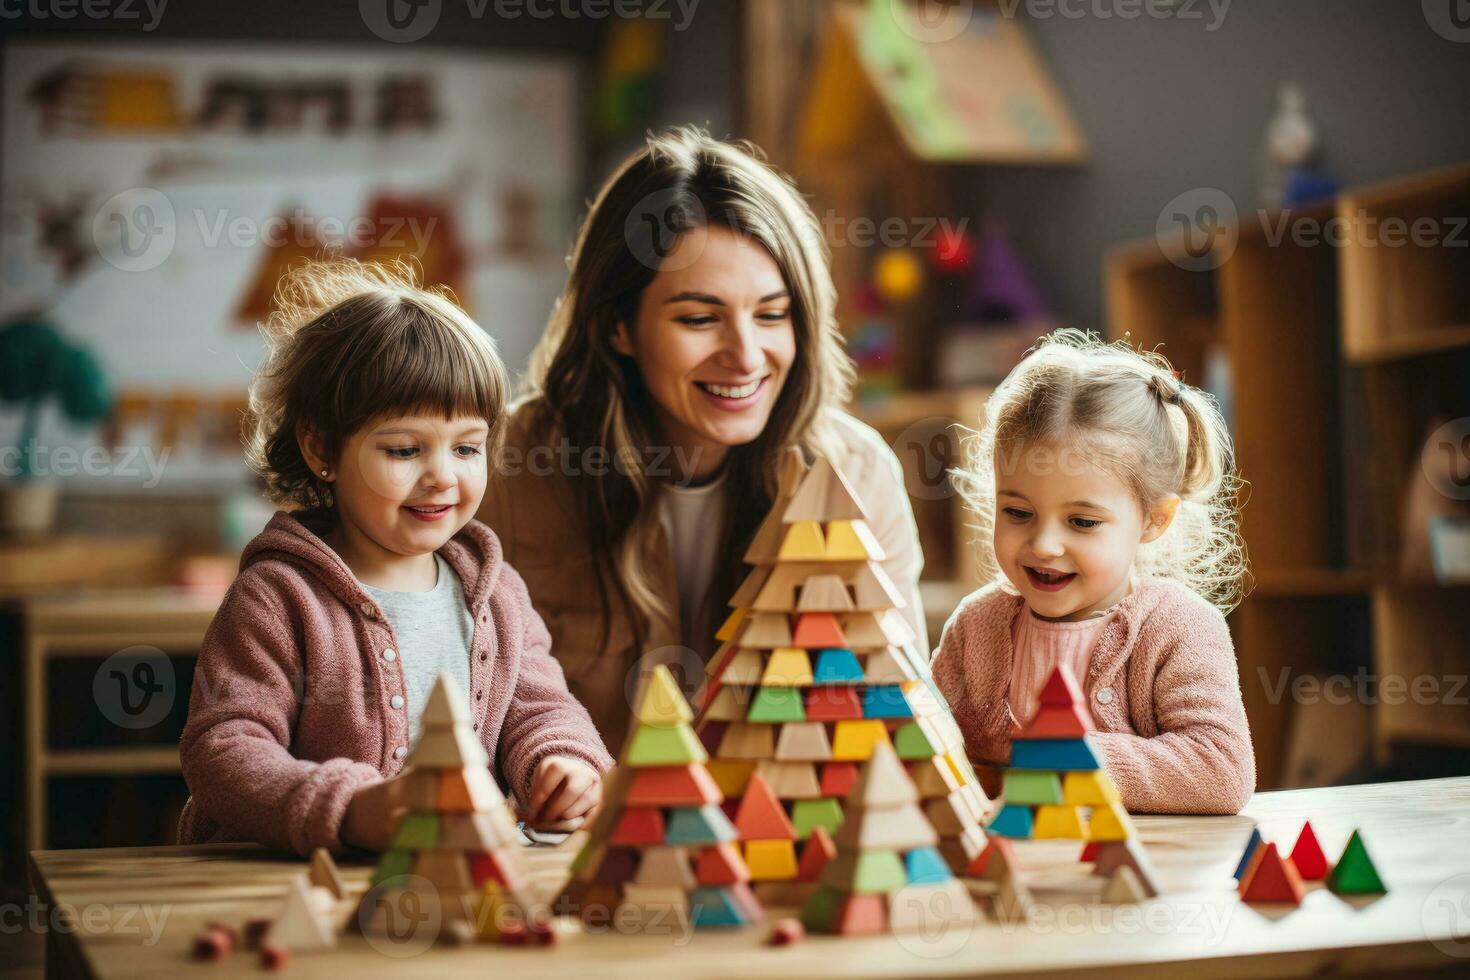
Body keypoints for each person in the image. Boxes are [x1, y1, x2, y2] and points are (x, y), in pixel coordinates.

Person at [480, 127, 927, 752]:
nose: (746, 356)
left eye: (772, 315)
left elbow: (903, 716)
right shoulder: (505, 469)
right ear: (618, 327)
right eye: (699, 318)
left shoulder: (858, 472)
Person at [178, 258, 612, 855]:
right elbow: (224, 750)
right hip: (285, 888)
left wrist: (564, 761)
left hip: (447, 881)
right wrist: (351, 810)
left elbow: (540, 708)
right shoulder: (277, 597)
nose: (442, 477)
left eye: (466, 447)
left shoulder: (496, 592)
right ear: (321, 447)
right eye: (405, 449)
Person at [931, 329, 1255, 813]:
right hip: (1010, 875)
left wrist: (1072, 761)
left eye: (1082, 522)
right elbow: (929, 745)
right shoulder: (974, 627)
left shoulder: (1177, 628)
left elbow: (1221, 771)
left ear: (1153, 520)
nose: (1043, 545)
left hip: (1133, 879)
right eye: (1018, 513)